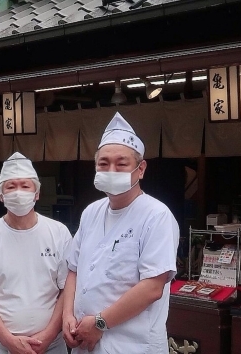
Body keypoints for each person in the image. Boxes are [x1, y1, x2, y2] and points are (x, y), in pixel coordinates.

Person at [63, 112, 179, 354]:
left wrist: (100, 323)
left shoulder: (156, 215)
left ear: (141, 169)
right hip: (85, 341)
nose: (111, 169)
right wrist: (67, 316)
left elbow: (152, 287)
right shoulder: (91, 212)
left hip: (132, 345)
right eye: (104, 163)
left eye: (121, 163)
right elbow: (73, 269)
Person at [0, 152, 72, 354]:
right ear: (1, 195)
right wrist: (7, 340)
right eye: (11, 187)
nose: (18, 192)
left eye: (25, 186)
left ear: (37, 193)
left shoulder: (58, 233)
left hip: (49, 346)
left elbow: (67, 289)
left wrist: (47, 336)